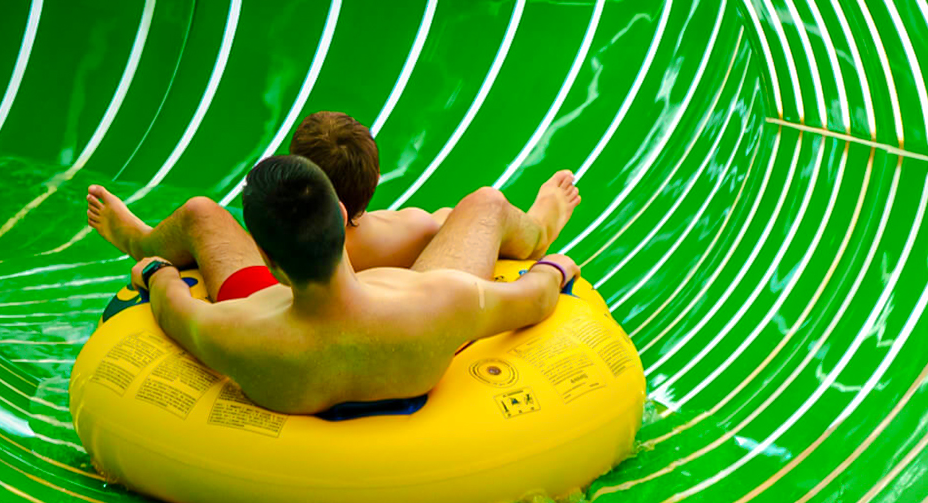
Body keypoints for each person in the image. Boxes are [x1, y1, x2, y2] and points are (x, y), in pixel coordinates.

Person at [84, 156, 581, 414]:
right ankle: (541, 228)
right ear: (343, 216)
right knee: (486, 204)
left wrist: (155, 271)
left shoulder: (232, 330)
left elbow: (172, 308)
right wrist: (555, 268)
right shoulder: (443, 301)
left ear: (268, 259)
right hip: (408, 329)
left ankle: (139, 240)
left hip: (283, 337)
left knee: (199, 213)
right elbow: (534, 299)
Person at [289, 110, 563, 270]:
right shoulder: (413, 229)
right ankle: (539, 230)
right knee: (471, 214)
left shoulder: (280, 245)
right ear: (375, 180)